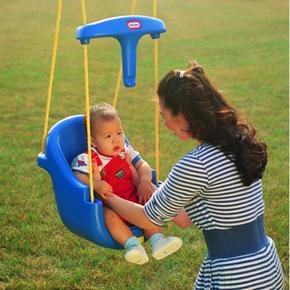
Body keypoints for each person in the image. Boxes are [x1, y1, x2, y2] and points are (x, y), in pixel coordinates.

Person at [104, 61, 285, 289]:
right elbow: (184, 219)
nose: (164, 123)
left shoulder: (196, 164)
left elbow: (148, 218)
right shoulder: (237, 141)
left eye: (164, 114)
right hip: (266, 265)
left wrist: (105, 196)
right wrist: (154, 186)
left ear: (180, 116)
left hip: (236, 276)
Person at [71, 103, 182, 265]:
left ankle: (157, 240)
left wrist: (144, 181)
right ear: (93, 141)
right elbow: (78, 175)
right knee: (107, 215)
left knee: (148, 205)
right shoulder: (88, 157)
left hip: (132, 198)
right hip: (111, 204)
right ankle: (132, 245)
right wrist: (95, 183)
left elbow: (143, 165)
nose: (116, 139)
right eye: (108, 136)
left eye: (119, 132)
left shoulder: (126, 150)